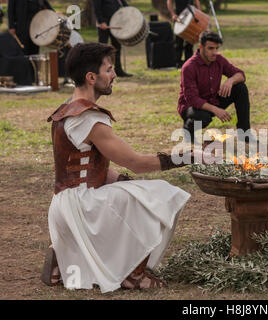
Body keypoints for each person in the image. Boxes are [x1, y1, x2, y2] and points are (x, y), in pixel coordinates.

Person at [42, 42, 196, 292]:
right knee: (161, 194)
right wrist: (189, 156)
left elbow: (90, 169)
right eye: (109, 70)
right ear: (92, 77)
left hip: (65, 205)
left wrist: (128, 184)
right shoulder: (89, 119)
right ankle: (132, 275)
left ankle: (66, 255)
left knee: (136, 192)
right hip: (81, 206)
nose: (114, 75)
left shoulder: (66, 109)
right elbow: (136, 162)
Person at [178, 31, 257, 143]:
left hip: (213, 99)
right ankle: (188, 129)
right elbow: (192, 99)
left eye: (216, 48)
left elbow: (240, 74)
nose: (214, 52)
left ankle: (244, 133)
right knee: (204, 117)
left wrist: (230, 80)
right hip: (191, 107)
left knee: (240, 88)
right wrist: (216, 110)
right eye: (210, 48)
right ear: (201, 47)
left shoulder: (218, 60)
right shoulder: (189, 67)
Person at [93, 0, 132, 77]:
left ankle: (118, 70)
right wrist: (101, 21)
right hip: (104, 24)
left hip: (116, 23)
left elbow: (124, 5)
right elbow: (96, 8)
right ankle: (100, 71)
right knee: (102, 49)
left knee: (117, 47)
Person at [167, 0, 201, 68]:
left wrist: (199, 12)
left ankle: (188, 63)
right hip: (179, 17)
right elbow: (169, 1)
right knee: (178, 42)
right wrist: (173, 14)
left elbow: (196, 1)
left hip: (191, 16)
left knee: (190, 42)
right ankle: (177, 62)